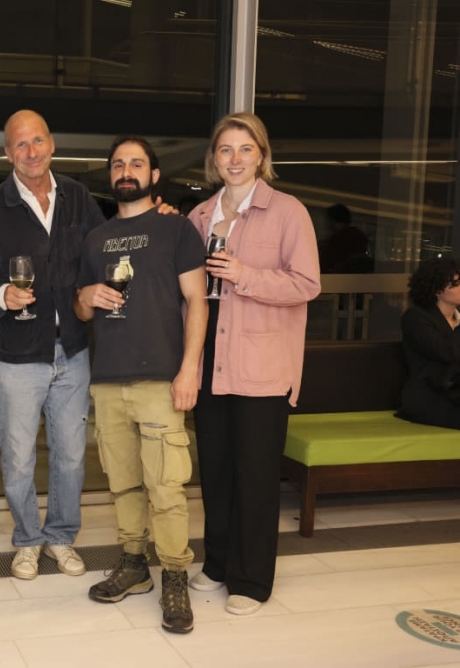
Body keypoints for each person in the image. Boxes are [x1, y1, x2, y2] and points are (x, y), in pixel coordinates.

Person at [0, 110, 107, 580]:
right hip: (16, 356)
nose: (31, 152)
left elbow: (106, 249)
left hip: (74, 351)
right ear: (8, 153)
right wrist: (1, 294)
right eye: (20, 144)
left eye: (38, 141)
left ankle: (61, 535)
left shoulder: (78, 197)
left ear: (51, 144)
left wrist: (154, 217)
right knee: (19, 458)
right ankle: (27, 539)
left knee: (71, 456)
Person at [188, 111, 321, 616]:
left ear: (262, 156)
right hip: (211, 359)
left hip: (262, 363)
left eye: (246, 149)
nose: (235, 158)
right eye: (226, 149)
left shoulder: (287, 212)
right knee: (217, 470)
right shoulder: (200, 215)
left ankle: (250, 580)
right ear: (214, 158)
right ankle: (219, 562)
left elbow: (306, 284)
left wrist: (244, 274)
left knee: (256, 475)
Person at [74, 136, 207, 634]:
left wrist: (189, 369)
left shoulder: (177, 229)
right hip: (108, 379)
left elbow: (198, 302)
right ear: (110, 175)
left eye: (136, 163)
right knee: (123, 483)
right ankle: (133, 564)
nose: (125, 171)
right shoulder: (96, 237)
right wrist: (86, 296)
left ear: (153, 175)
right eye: (117, 164)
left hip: (160, 379)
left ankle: (174, 574)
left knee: (166, 486)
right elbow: (81, 309)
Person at [398, 257, 460, 429]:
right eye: (456, 284)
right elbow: (447, 353)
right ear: (437, 290)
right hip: (430, 397)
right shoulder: (416, 318)